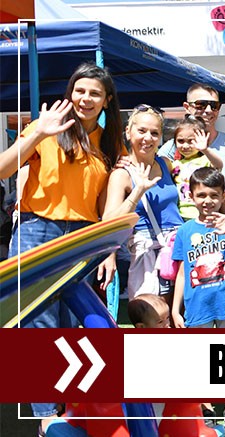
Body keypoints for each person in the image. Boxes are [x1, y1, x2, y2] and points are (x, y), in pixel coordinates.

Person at [0, 62, 125, 431]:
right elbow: (4, 169)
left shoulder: (110, 142)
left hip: (83, 238)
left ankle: (70, 410)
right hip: (37, 230)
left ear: (107, 100)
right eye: (79, 90)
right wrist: (38, 132)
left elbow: (105, 204)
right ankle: (46, 418)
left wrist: (109, 248)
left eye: (95, 93)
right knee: (37, 323)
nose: (85, 98)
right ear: (70, 93)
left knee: (73, 324)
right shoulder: (45, 129)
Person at [170, 167, 225, 435]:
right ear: (191, 197)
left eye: (214, 195)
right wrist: (175, 308)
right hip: (197, 305)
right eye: (202, 195)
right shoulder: (185, 231)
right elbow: (182, 272)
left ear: (222, 196)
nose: (208, 201)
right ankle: (205, 409)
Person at [103, 104, 183, 302]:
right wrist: (138, 191)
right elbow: (109, 221)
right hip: (147, 252)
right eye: (142, 131)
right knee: (152, 311)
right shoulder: (121, 174)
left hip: (178, 245)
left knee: (182, 312)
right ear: (128, 132)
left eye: (154, 133)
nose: (148, 138)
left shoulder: (166, 163)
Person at [157, 83, 225, 206]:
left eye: (214, 106)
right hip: (189, 214)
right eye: (200, 105)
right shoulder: (174, 146)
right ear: (187, 107)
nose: (208, 110)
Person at [170, 117, 225, 221]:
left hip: (204, 212)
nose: (185, 145)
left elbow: (218, 166)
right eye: (181, 141)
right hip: (181, 214)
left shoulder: (205, 159)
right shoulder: (175, 164)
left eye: (191, 141)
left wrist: (205, 150)